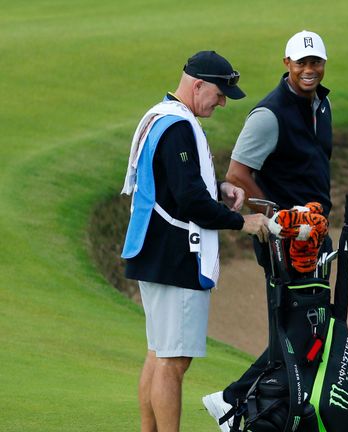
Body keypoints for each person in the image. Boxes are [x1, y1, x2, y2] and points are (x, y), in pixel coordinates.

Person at [120, 50, 270, 432]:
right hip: (175, 257)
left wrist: (217, 187)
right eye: (219, 94)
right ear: (198, 84)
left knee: (158, 355)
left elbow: (177, 184)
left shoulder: (161, 115)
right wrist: (243, 222)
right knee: (174, 362)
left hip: (152, 251)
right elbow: (189, 203)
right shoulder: (178, 127)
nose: (221, 102)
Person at [201, 30, 334, 432]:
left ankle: (250, 403)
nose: (308, 70)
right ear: (286, 64)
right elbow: (237, 176)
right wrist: (284, 221)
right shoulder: (269, 115)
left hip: (314, 234)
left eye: (315, 63)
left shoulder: (322, 105)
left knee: (309, 327)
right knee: (297, 329)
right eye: (301, 63)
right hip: (284, 241)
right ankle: (233, 399)